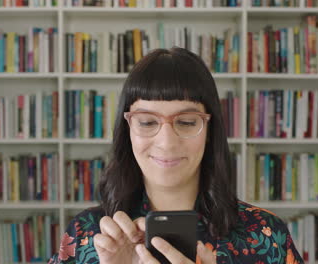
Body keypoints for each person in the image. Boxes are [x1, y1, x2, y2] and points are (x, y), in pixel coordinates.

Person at [48, 47, 304, 264]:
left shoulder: (266, 235)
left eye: (186, 122)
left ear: (209, 131)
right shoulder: (86, 233)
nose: (167, 143)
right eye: (147, 122)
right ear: (127, 130)